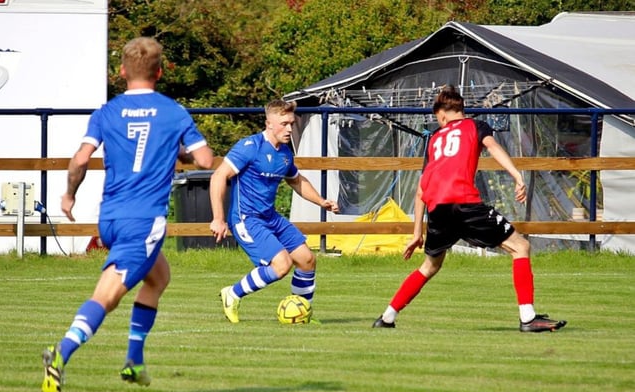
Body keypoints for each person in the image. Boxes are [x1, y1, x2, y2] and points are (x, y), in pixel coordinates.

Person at [41, 37, 214, 392]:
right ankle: (61, 352)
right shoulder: (173, 111)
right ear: (161, 72)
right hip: (144, 220)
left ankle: (134, 361)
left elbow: (81, 159)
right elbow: (205, 161)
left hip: (111, 218)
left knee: (159, 276)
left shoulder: (107, 112)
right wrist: (176, 150)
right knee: (107, 296)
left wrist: (70, 193)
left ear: (121, 72)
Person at [372, 85, 567, 333]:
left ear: (441, 114)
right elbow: (494, 148)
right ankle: (527, 317)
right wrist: (518, 176)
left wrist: (416, 232)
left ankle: (387, 317)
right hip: (465, 203)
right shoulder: (476, 126)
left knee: (430, 266)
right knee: (521, 247)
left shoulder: (434, 140)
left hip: (439, 210)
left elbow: (421, 190)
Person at [209, 99, 339, 323]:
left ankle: (301, 313)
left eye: (291, 123)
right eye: (284, 123)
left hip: (270, 217)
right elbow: (218, 176)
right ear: (269, 123)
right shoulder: (249, 147)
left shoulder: (285, 153)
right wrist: (218, 219)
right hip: (246, 219)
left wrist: (321, 201)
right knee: (281, 265)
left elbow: (296, 181)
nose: (289, 128)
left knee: (307, 260)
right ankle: (232, 293)